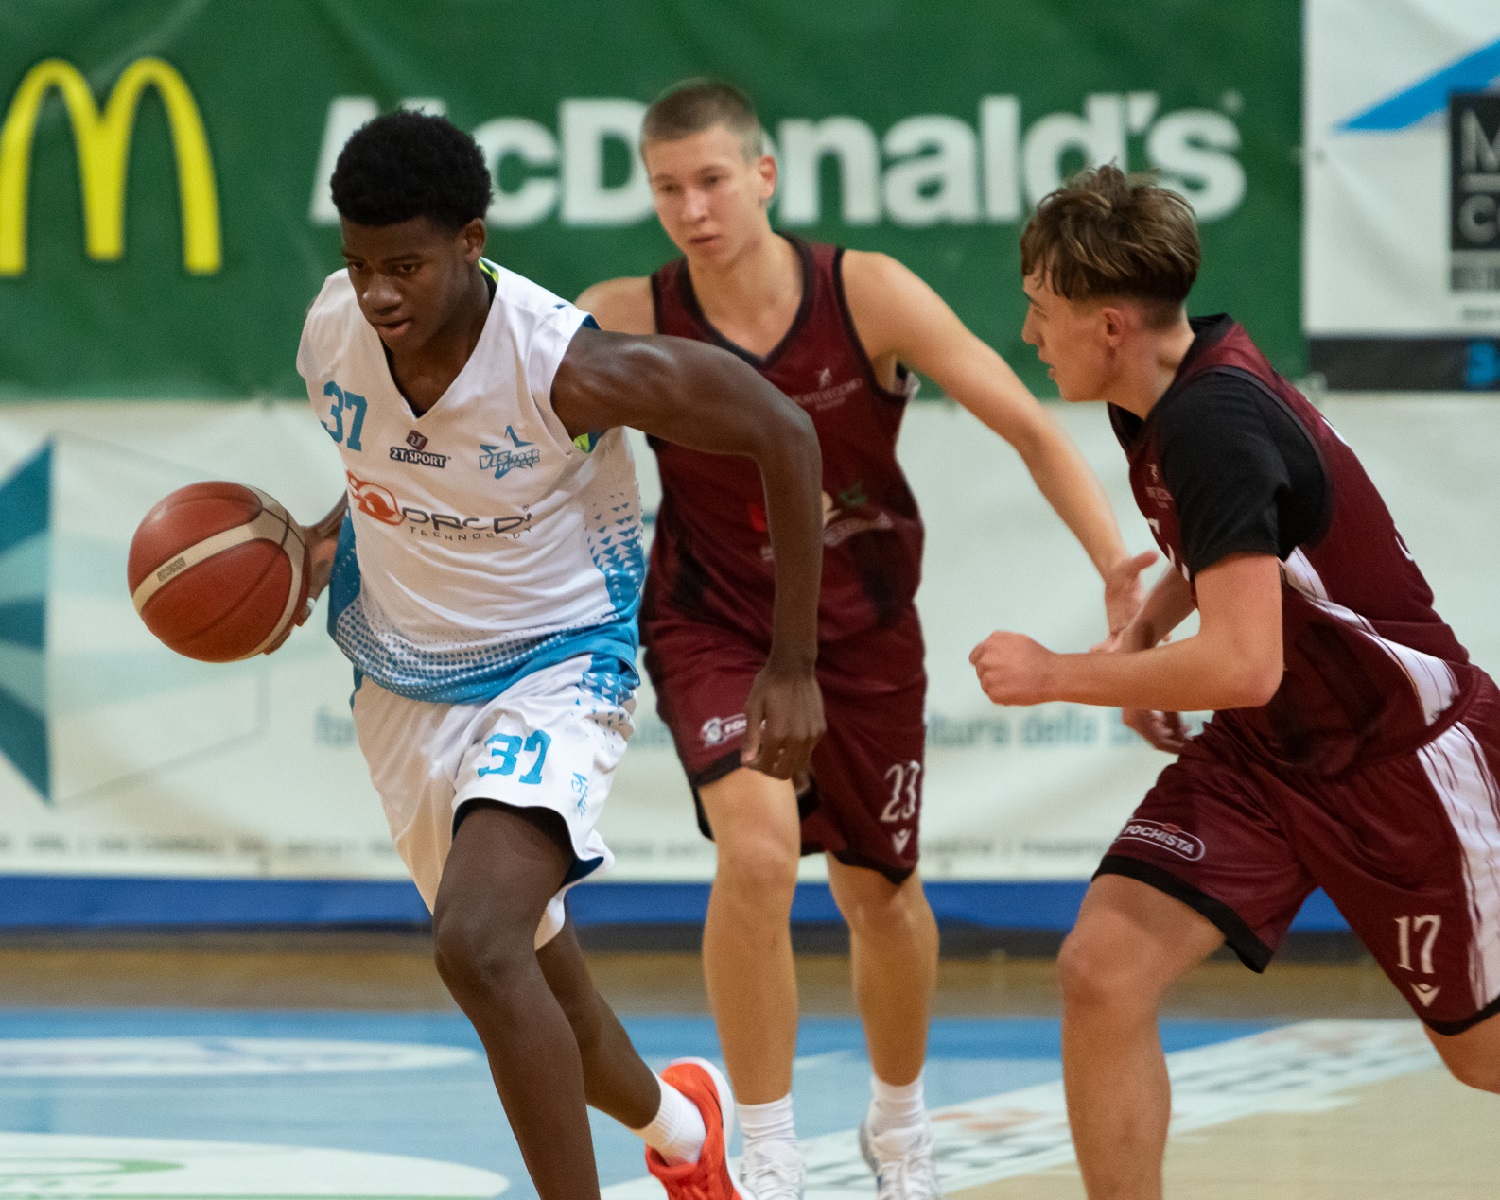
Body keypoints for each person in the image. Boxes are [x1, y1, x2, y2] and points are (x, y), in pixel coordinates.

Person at [579, 81, 1150, 1200]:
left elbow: (1029, 425)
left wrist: (1116, 570)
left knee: (879, 894)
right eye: (667, 189)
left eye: (711, 181)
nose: (692, 209)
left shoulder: (866, 291)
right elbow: (497, 433)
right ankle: (768, 1150)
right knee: (754, 854)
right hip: (714, 623)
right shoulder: (626, 314)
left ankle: (898, 1124)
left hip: (863, 630)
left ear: (764, 177)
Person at [287, 110, 829, 1200]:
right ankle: (685, 1131)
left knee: (478, 944)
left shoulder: (564, 366)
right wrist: (313, 540)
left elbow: (785, 430)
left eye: (404, 267)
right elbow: (389, 469)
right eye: (359, 263)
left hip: (556, 665)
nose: (377, 292)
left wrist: (792, 664)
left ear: (470, 242)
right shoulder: (333, 329)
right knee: (540, 988)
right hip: (401, 679)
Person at [970, 163, 1500, 1200]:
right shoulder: (1166, 388)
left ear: (1110, 324)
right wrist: (1145, 629)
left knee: (1481, 1058)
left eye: (1040, 310)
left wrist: (1056, 674)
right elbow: (1240, 544)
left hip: (1398, 761)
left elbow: (1245, 666)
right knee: (1103, 969)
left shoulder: (1214, 421)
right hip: (1270, 759)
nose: (1028, 334)